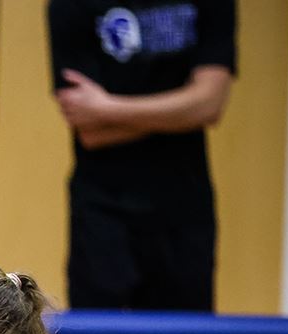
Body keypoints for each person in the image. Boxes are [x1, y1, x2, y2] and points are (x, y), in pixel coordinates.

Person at [47, 1, 236, 311]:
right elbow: (90, 129)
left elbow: (210, 104)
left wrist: (108, 108)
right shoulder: (71, 6)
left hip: (184, 206)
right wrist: (182, 112)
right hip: (102, 208)